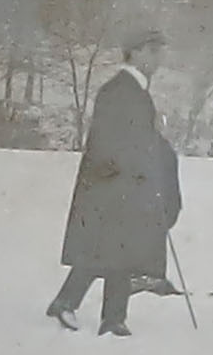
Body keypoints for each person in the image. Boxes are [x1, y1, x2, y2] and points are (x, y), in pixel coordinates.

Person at [47, 27, 182, 338]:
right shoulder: (120, 90)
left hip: (124, 184)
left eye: (159, 51)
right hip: (113, 184)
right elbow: (109, 141)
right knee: (111, 249)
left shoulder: (134, 90)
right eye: (152, 51)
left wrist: (160, 156)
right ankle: (84, 308)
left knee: (117, 250)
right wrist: (137, 168)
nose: (158, 58)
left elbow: (141, 139)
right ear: (134, 53)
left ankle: (107, 317)